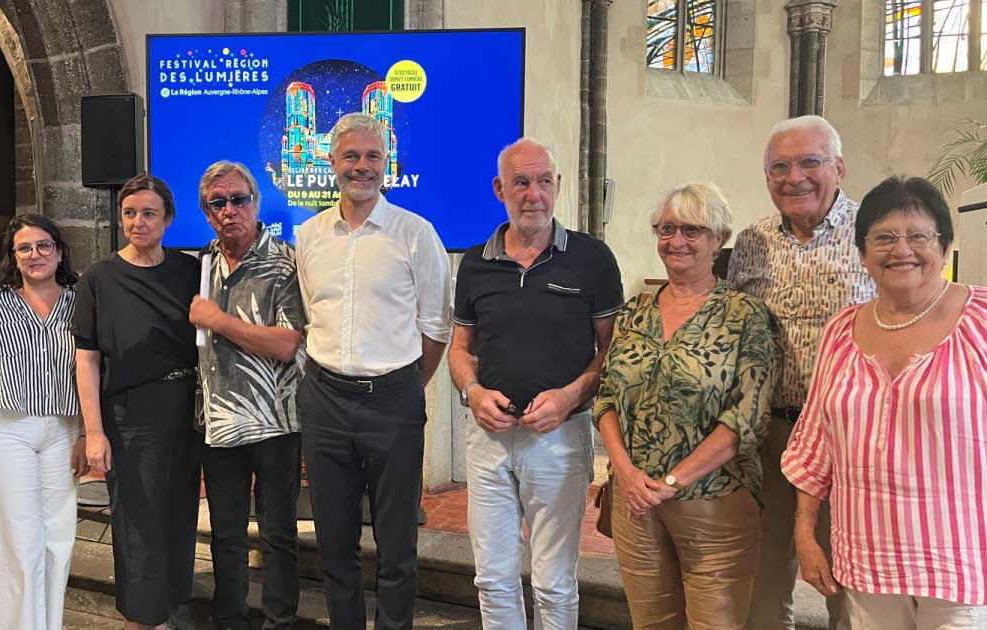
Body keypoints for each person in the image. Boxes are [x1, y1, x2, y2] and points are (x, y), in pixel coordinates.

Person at [783, 176, 987, 629]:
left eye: (919, 236)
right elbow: (815, 441)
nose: (902, 250)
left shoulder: (980, 321)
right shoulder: (841, 330)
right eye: (885, 237)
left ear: (945, 243)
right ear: (862, 252)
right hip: (867, 556)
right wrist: (805, 530)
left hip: (962, 560)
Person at [448, 137, 623, 629]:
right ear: (499, 188)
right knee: (493, 578)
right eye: (521, 183)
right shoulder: (477, 264)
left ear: (558, 185)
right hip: (488, 440)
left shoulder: (592, 259)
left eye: (544, 181)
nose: (534, 194)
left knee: (553, 581)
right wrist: (473, 392)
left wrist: (569, 398)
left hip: (559, 439)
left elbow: (612, 352)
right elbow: (461, 350)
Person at [595, 182, 778, 629]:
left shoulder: (745, 316)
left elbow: (747, 417)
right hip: (635, 503)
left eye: (692, 230)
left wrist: (673, 481)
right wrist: (626, 473)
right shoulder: (635, 311)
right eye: (667, 228)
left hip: (714, 504)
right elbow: (607, 397)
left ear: (718, 238)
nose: (677, 241)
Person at [295, 112, 452, 629]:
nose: (361, 167)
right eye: (351, 157)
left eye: (372, 157)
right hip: (324, 403)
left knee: (397, 546)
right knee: (335, 546)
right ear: (332, 162)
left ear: (387, 164)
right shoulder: (308, 236)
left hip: (393, 402)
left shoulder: (415, 233)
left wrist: (402, 385)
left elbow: (436, 326)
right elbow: (309, 314)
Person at [727, 115, 875, 630]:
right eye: (779, 167)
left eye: (810, 162)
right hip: (771, 434)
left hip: (848, 438)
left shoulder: (875, 234)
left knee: (846, 573)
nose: (795, 178)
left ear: (839, 166)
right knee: (764, 576)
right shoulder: (750, 242)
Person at [72, 174, 203, 630]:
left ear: (168, 218)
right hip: (131, 412)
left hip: (185, 407)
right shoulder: (100, 278)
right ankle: (142, 618)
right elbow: (86, 359)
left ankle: (174, 607)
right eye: (130, 213)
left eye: (149, 213)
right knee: (138, 518)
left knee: (181, 511)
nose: (138, 222)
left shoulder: (190, 272)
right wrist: (93, 432)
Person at [190, 161, 305, 630]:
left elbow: (287, 343)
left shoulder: (286, 261)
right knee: (227, 535)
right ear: (207, 212)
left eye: (238, 200)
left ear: (256, 204)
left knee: (278, 534)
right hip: (217, 422)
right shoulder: (204, 262)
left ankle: (280, 620)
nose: (229, 210)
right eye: (218, 203)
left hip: (275, 420)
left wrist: (218, 321)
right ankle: (230, 617)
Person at [0, 214, 88, 629]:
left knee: (58, 539)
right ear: (13, 256)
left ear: (59, 252)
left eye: (44, 245)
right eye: (24, 247)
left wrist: (83, 432)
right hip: (7, 430)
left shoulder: (81, 301)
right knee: (16, 541)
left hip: (62, 430)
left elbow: (92, 367)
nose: (35, 254)